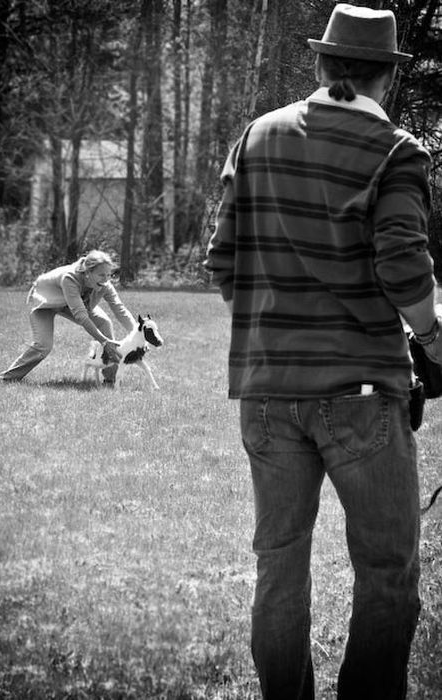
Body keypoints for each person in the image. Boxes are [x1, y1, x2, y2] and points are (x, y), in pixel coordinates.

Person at [205, 5, 441, 699]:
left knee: (278, 568)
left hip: (266, 391)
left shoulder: (256, 135)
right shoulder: (396, 150)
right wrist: (430, 338)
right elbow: (402, 265)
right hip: (362, 393)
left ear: (319, 64)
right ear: (385, 79)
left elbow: (221, 262)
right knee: (386, 572)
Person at [0, 250, 136, 383]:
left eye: (108, 275)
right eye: (101, 275)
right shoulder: (69, 278)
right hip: (47, 302)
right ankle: (6, 379)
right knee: (43, 346)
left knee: (104, 323)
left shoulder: (104, 284)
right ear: (88, 272)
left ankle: (111, 379)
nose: (106, 280)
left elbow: (119, 309)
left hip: (72, 303)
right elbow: (81, 316)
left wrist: (137, 332)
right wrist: (105, 342)